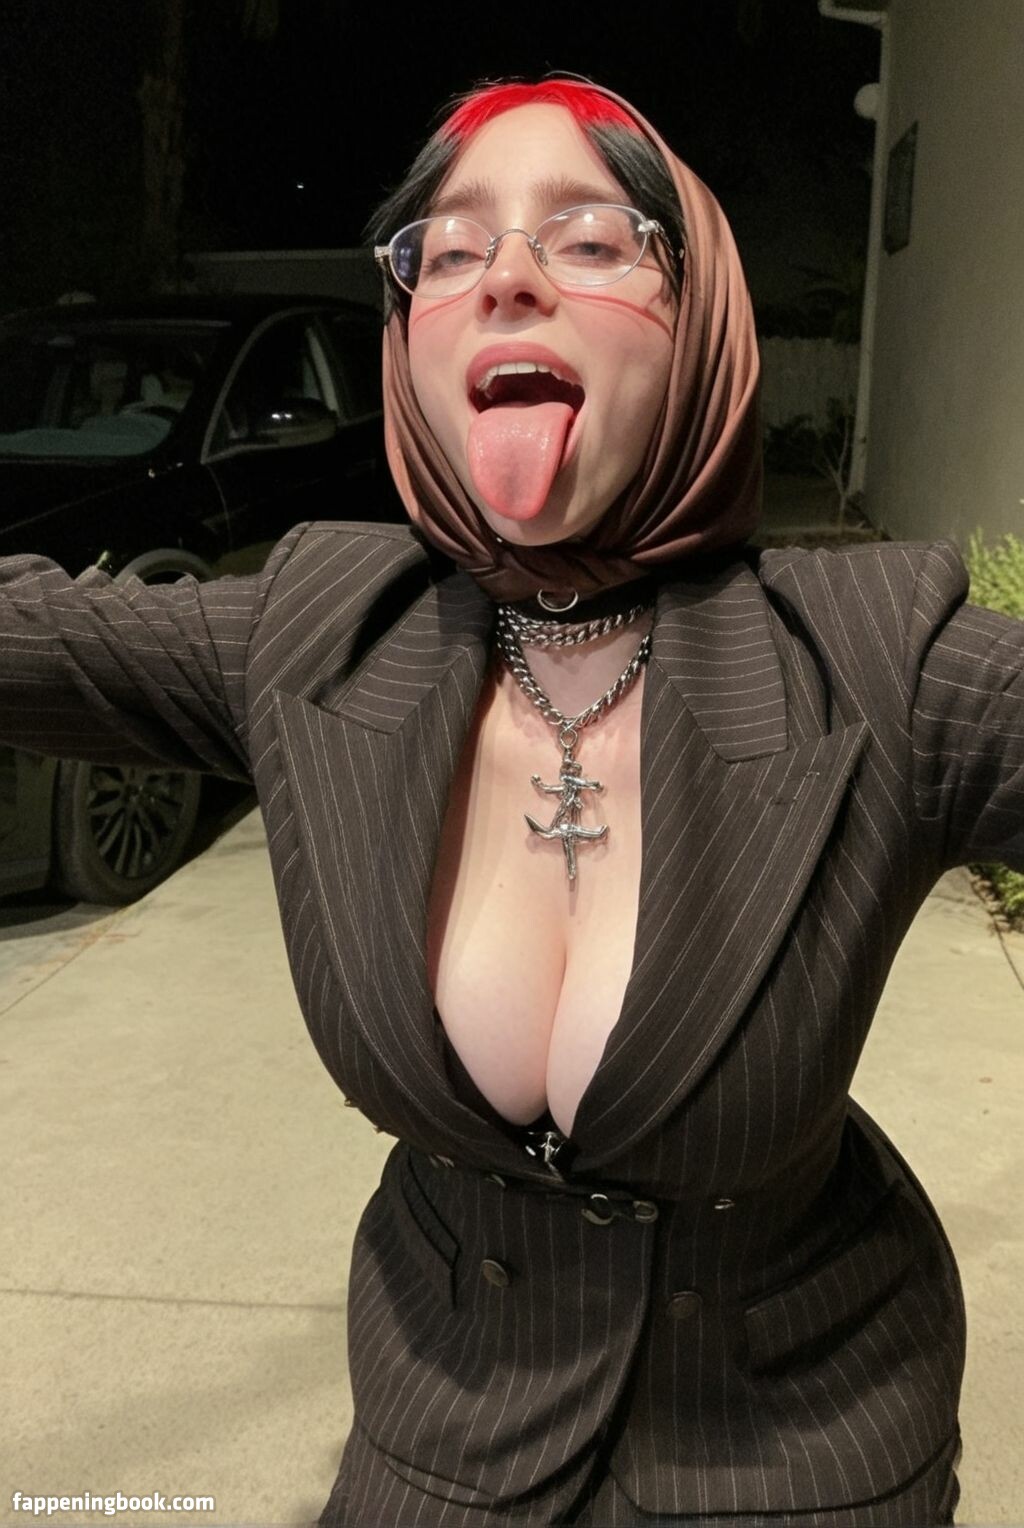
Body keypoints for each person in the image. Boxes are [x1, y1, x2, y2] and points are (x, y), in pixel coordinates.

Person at [1, 76, 1021, 1527]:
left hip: (808, 1447)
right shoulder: (317, 630)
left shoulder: (879, 663)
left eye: (592, 240)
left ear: (704, 321)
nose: (507, 278)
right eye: (448, 249)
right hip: (443, 1440)